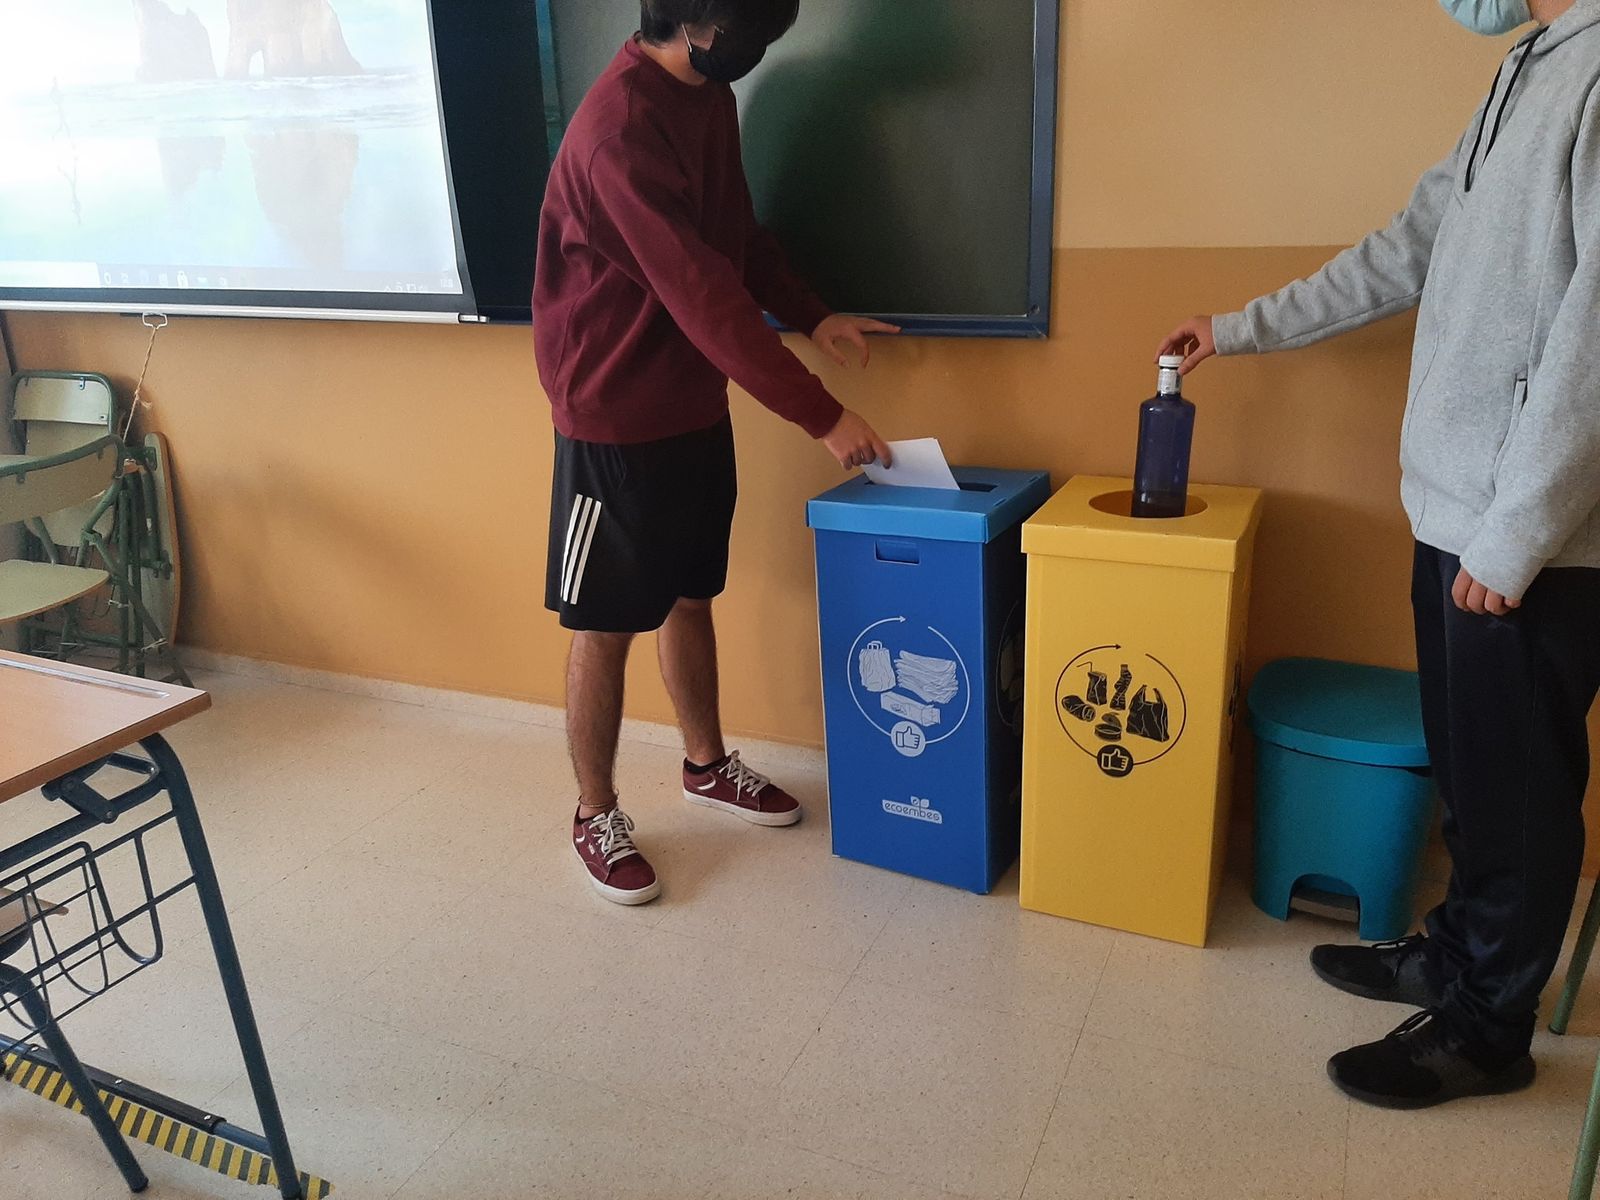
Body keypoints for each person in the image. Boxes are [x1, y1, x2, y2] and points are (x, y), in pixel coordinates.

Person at [1161, 0, 1600, 1108]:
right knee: (1469, 772)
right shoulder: (1526, 71)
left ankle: (1486, 1029)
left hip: (1535, 540)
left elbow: (1595, 344)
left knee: (1518, 793)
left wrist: (1513, 537)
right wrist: (1239, 326)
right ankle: (1453, 957)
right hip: (1458, 507)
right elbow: (1407, 246)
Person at [534, 0, 898, 906]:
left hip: (693, 404)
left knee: (692, 593)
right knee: (605, 626)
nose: (762, 49)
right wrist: (820, 416)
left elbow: (734, 244)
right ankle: (595, 812)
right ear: (694, 19)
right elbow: (701, 294)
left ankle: (706, 765)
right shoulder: (618, 129)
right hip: (611, 413)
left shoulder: (706, 97)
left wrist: (812, 312)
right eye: (753, 29)